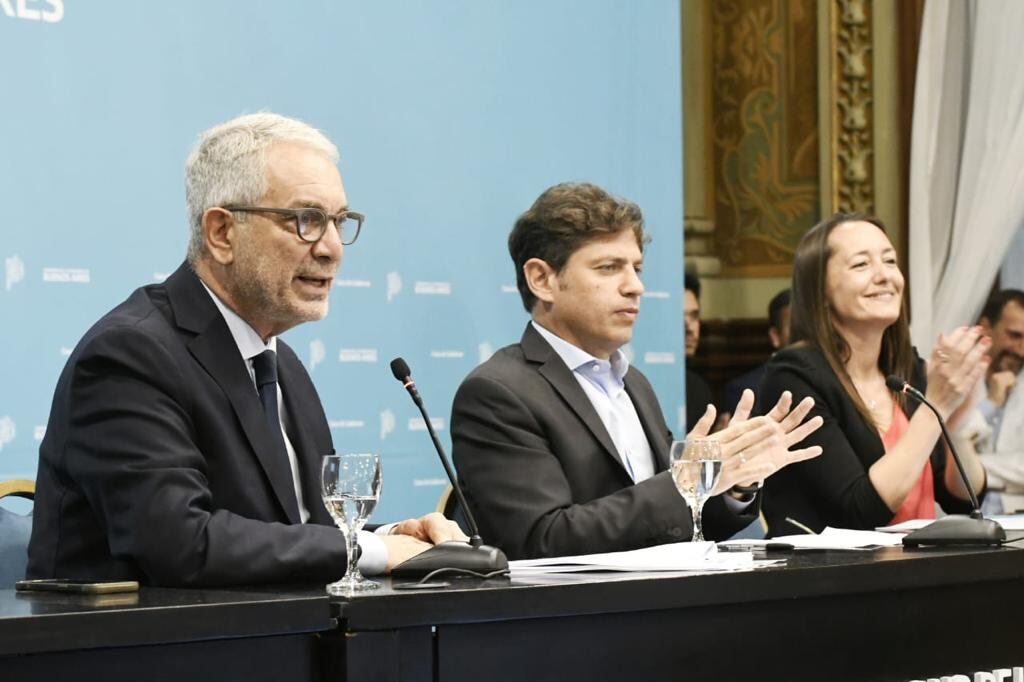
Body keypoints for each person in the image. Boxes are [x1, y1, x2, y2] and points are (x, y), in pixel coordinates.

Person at [27, 113, 464, 586]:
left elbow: (296, 535)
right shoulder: (130, 355)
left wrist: (400, 538)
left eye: (339, 221)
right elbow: (181, 543)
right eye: (306, 220)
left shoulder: (281, 363)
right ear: (221, 233)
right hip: (146, 652)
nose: (333, 248)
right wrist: (372, 549)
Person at [450, 182, 824, 560]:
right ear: (542, 280)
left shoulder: (635, 383)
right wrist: (682, 483)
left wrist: (731, 483)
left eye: (637, 268)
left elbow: (677, 525)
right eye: (609, 267)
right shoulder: (498, 393)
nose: (636, 286)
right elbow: (541, 540)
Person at [757, 213, 989, 536]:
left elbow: (963, 500)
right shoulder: (794, 376)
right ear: (820, 289)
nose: (884, 276)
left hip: (920, 574)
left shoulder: (905, 369)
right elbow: (859, 510)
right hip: (830, 580)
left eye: (890, 261)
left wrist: (954, 423)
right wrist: (936, 403)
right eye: (861, 265)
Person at [955, 289, 1024, 513]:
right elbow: (948, 446)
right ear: (984, 328)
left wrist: (973, 468)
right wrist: (991, 404)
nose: (1021, 349)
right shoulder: (953, 378)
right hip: (957, 520)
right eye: (1014, 335)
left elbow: (954, 465)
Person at [720, 289, 791, 423]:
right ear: (775, 336)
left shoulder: (830, 379)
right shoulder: (745, 390)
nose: (806, 334)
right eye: (796, 326)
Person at [684, 273, 714, 431]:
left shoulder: (699, 389)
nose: (689, 327)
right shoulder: (638, 384)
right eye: (678, 316)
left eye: (694, 316)